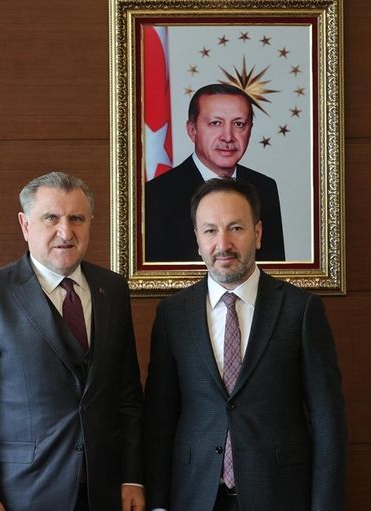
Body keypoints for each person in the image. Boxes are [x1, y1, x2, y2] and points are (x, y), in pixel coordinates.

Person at [0, 172, 145, 511]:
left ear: (90, 223)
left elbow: (127, 394)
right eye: (51, 218)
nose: (66, 232)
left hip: (105, 490)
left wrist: (133, 476)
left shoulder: (112, 289)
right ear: (25, 225)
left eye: (77, 219)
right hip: (22, 492)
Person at [144, 178, 346, 511]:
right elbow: (159, 419)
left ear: (258, 233)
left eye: (236, 228)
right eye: (210, 231)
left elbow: (328, 421)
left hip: (278, 495)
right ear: (197, 239)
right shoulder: (173, 315)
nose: (222, 244)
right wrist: (157, 503)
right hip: (194, 496)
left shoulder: (300, 310)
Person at [144, 84, 285, 263]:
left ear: (250, 130)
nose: (228, 137)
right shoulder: (155, 195)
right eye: (215, 123)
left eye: (239, 124)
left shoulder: (264, 188)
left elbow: (274, 269)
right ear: (192, 130)